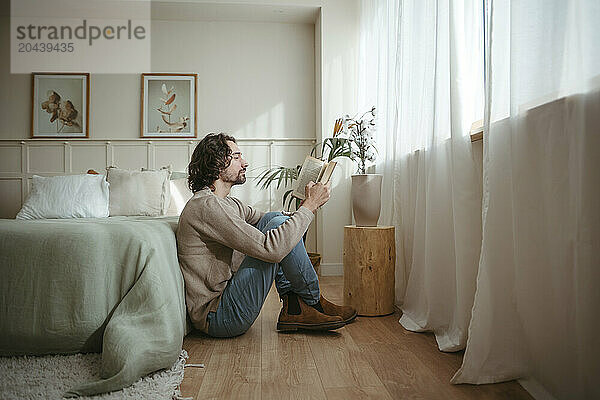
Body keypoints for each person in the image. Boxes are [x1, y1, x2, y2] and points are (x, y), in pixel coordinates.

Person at [176, 133, 357, 337]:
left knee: (275, 220)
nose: (245, 163)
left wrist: (303, 206)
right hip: (219, 316)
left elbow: (269, 218)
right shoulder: (207, 206)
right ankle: (314, 302)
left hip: (229, 300)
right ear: (217, 164)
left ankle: (295, 308)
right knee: (276, 234)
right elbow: (271, 249)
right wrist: (310, 206)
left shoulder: (227, 203)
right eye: (236, 157)